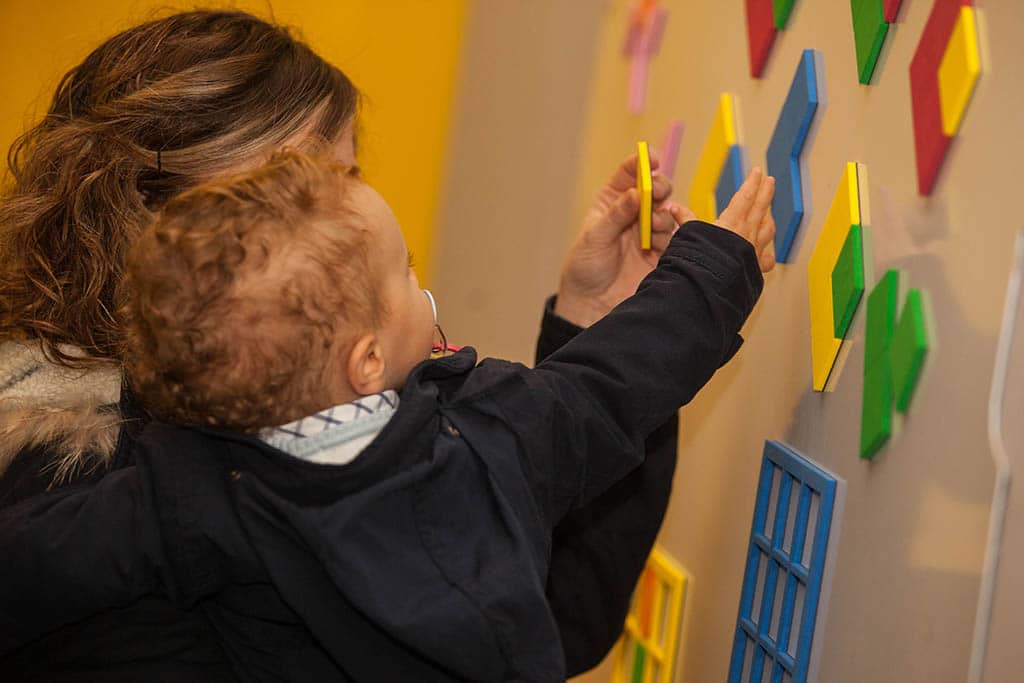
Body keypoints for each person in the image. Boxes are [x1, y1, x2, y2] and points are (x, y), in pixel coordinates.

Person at [0, 8, 709, 679]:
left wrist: (596, 320)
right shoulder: (77, 488)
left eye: (349, 178)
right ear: (163, 212)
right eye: (304, 183)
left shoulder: (312, 401)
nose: (350, 214)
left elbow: (540, 611)